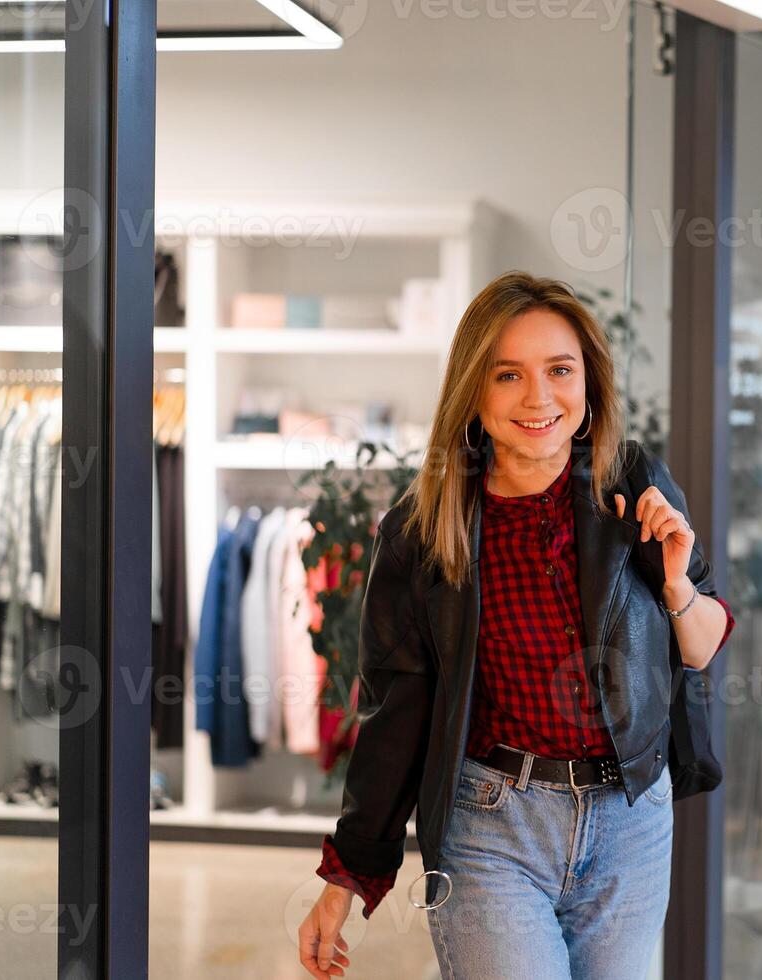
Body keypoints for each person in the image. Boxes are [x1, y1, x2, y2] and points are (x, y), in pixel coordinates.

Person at [297, 271, 735, 979]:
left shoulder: (632, 484)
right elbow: (395, 713)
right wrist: (349, 874)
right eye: (508, 375)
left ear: (588, 384)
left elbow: (702, 643)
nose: (539, 398)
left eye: (560, 370)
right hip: (491, 825)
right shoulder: (420, 533)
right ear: (474, 391)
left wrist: (679, 579)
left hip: (631, 819)